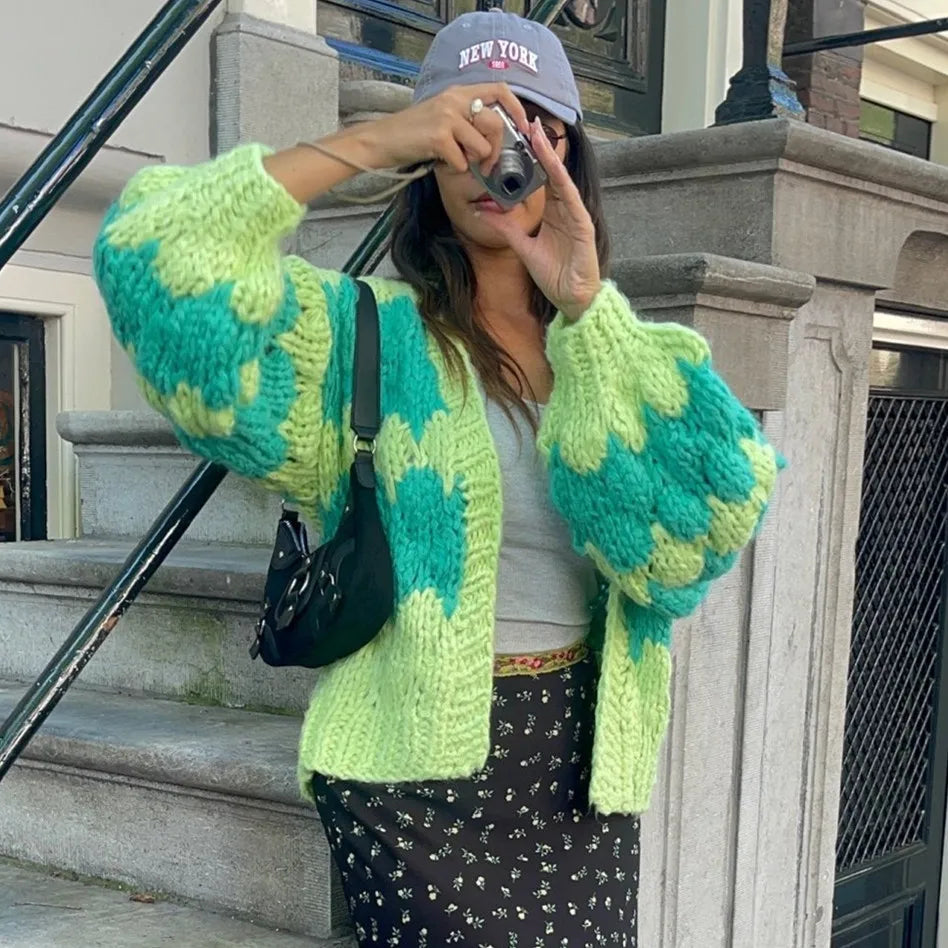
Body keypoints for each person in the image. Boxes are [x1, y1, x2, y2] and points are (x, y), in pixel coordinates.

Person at [93, 9, 779, 946]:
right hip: (409, 787)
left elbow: (698, 535)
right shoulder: (358, 336)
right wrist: (372, 142)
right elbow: (152, 258)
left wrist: (589, 310)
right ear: (432, 158)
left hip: (579, 769)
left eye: (534, 131)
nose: (499, 159)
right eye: (474, 129)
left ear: (568, 159)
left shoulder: (611, 351)